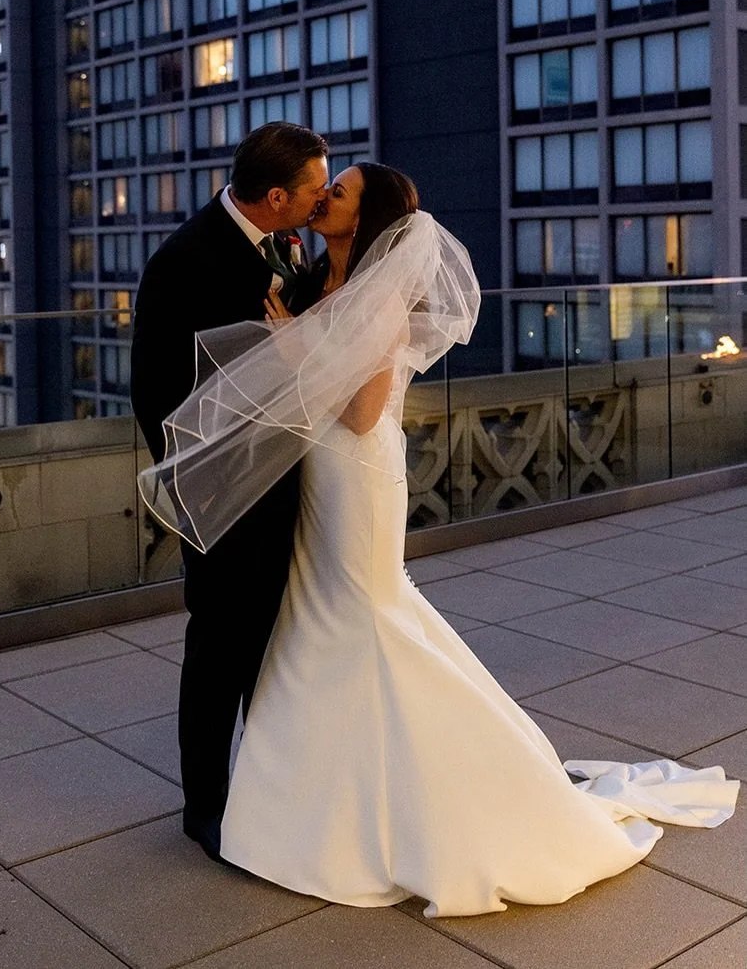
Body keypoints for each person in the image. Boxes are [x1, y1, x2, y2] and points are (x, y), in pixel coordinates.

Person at [142, 163, 738, 915]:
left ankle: (433, 786)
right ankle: (321, 793)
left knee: (364, 612)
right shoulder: (311, 277)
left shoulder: (383, 295)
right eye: (324, 187)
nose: (324, 198)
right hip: (316, 472)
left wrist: (291, 344)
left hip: (356, 473)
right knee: (322, 618)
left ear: (365, 219)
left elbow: (361, 412)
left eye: (338, 192)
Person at [130, 121, 329, 862]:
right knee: (218, 648)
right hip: (222, 492)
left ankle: (266, 787)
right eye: (313, 190)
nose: (319, 202)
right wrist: (204, 489)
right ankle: (206, 808)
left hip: (284, 477)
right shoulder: (185, 259)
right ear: (275, 197)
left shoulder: (284, 245)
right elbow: (156, 393)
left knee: (271, 642)